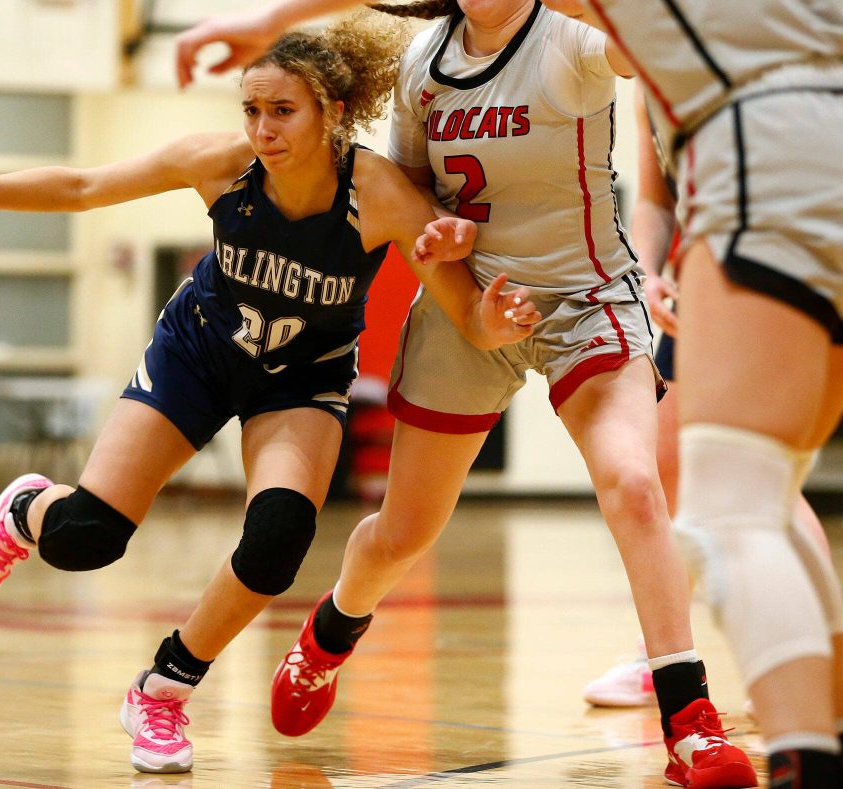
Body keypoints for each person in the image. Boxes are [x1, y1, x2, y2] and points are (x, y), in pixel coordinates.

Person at [0, 15, 540, 776]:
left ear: (332, 114)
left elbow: (468, 317)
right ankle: (29, 509)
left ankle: (162, 688)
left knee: (278, 539)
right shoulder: (221, 166)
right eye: (252, 110)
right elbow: (86, 186)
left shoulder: (378, 192)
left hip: (301, 378)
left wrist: (499, 319)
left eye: (282, 111)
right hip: (197, 354)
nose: (262, 128)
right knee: (89, 536)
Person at [177, 2, 758, 788]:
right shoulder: (425, 65)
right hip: (468, 306)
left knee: (633, 482)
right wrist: (437, 241)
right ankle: (329, 632)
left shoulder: (579, 43)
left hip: (585, 300)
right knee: (403, 533)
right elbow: (417, 204)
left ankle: (689, 721)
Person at [538, 2, 843, 786]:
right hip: (764, 203)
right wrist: (651, 270)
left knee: (735, 503)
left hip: (772, 188)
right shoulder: (674, 71)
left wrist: (268, 20)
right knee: (746, 486)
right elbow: (655, 194)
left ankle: (806, 744)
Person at [582, 86, 839, 711]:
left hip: (772, 269)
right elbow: (656, 198)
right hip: (697, 278)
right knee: (672, 470)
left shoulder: (763, 52)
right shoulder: (653, 74)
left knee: (759, 480)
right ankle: (664, 653)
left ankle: (817, 663)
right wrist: (646, 271)